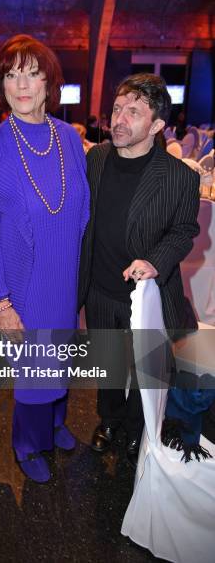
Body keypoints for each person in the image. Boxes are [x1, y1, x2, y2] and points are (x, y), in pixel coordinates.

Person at [0, 34, 90, 483]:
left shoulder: (69, 139)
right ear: (2, 84)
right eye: (11, 75)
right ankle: (25, 442)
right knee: (35, 368)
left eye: (32, 74)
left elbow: (82, 210)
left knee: (61, 357)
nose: (21, 85)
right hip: (24, 282)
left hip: (65, 276)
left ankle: (56, 422)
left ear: (48, 82)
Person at [78, 73, 200, 468]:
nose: (119, 119)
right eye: (117, 109)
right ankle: (109, 421)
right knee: (109, 364)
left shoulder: (181, 177)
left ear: (158, 125)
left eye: (134, 112)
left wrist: (156, 262)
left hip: (146, 295)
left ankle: (136, 426)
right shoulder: (95, 159)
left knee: (145, 368)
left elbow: (185, 230)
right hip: (99, 289)